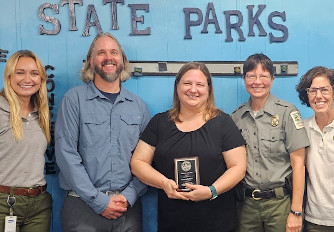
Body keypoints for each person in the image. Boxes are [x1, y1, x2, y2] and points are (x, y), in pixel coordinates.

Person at [131, 62, 247, 232]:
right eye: (187, 83)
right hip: (172, 223)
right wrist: (163, 183)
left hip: (218, 223)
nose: (193, 90)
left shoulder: (223, 122)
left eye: (199, 84)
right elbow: (138, 162)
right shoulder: (159, 122)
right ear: (177, 86)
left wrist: (211, 191)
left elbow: (238, 167)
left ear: (208, 89)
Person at [55, 32, 150, 232]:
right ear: (91, 61)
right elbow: (66, 154)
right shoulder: (73, 100)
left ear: (122, 60)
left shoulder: (139, 107)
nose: (109, 57)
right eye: (101, 52)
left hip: (127, 210)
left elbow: (147, 159)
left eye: (114, 52)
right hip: (82, 208)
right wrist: (99, 201)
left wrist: (129, 196)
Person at [231, 53, 310, 232]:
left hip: (280, 204)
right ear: (244, 79)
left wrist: (296, 212)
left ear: (272, 79)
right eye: (251, 76)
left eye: (264, 76)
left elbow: (299, 164)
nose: (257, 81)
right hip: (247, 206)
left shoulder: (287, 113)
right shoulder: (236, 117)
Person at [0, 50, 52, 231]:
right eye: (20, 72)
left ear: (41, 79)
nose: (27, 79)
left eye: (34, 73)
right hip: (4, 203)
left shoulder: (41, 113)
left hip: (39, 204)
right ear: (9, 76)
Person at [296, 66, 334, 232]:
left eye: (324, 90)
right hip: (314, 221)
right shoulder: (302, 129)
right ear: (307, 95)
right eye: (313, 91)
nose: (318, 96)